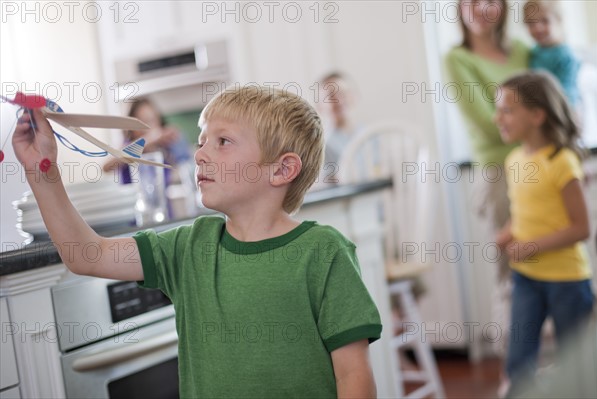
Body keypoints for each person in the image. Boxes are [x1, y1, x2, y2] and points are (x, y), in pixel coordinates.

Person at [12, 86, 382, 398]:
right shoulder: (188, 246)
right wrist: (41, 172)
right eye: (202, 140)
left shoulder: (323, 251)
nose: (200, 153)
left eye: (222, 142)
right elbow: (86, 256)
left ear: (282, 169)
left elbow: (353, 376)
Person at [445, 2, 529, 390]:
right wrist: (543, 125)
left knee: (557, 268)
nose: (480, 7)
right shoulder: (458, 59)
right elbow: (488, 122)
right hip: (500, 175)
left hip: (544, 167)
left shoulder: (524, 52)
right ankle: (512, 374)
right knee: (510, 274)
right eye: (470, 0)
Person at [494, 71, 594, 396]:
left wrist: (532, 245)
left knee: (577, 366)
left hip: (567, 280)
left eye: (507, 110)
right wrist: (509, 232)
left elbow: (580, 228)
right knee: (518, 363)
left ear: (537, 115)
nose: (498, 118)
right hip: (526, 277)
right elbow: (527, 211)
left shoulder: (562, 162)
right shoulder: (513, 161)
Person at [103, 98, 191, 184]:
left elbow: (185, 165)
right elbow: (106, 167)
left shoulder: (163, 148)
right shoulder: (127, 147)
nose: (148, 128)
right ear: (131, 127)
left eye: (152, 120)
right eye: (142, 122)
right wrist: (148, 141)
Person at [523, 0, 581, 105]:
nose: (537, 28)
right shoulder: (533, 52)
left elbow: (568, 93)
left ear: (558, 20)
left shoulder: (565, 56)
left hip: (558, 109)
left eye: (545, 21)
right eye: (531, 23)